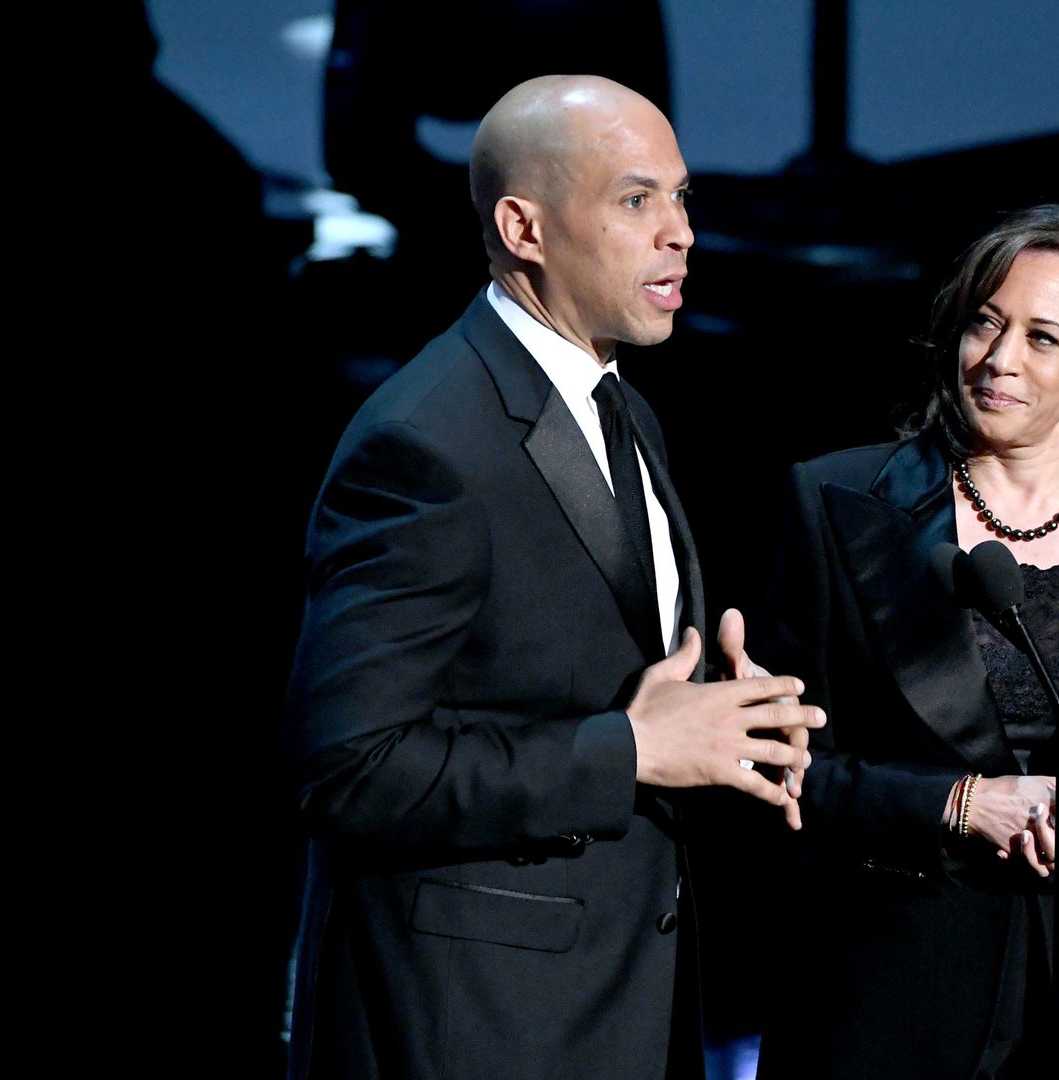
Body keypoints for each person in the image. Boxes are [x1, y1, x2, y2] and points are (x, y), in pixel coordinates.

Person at [284, 75, 824, 1080]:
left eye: (682, 197)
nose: (681, 234)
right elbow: (348, 767)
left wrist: (720, 720)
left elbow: (568, 674)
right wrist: (628, 749)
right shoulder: (428, 446)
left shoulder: (621, 405)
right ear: (523, 227)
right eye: (636, 200)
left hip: (613, 1001)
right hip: (475, 1029)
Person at [754, 205, 1059, 1078]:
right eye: (985, 323)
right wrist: (959, 803)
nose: (998, 360)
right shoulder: (838, 503)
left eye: (1042, 337)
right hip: (894, 991)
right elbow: (781, 767)